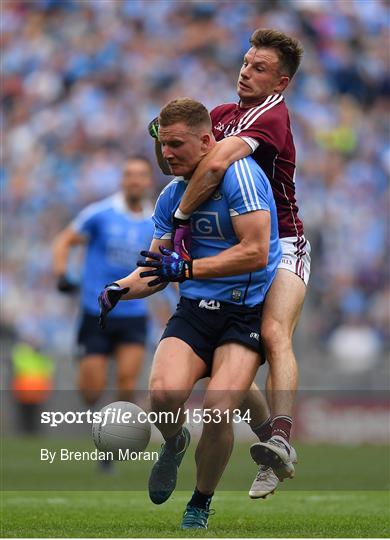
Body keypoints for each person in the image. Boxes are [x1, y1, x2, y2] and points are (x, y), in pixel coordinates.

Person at [98, 98, 281, 529]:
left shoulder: (242, 177)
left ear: (206, 141)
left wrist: (189, 267)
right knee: (163, 398)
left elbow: (255, 253)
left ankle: (199, 502)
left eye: (177, 144)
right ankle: (175, 441)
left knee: (218, 409)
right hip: (196, 309)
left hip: (244, 312)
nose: (167, 154)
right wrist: (119, 289)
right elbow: (156, 269)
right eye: (163, 145)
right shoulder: (171, 197)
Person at [149, 28, 310, 497]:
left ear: (279, 82)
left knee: (276, 333)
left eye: (259, 69)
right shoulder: (221, 114)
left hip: (281, 241)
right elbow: (181, 156)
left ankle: (280, 434)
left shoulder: (271, 116)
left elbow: (215, 161)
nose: (245, 72)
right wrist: (165, 137)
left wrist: (180, 217)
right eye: (245, 63)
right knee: (229, 377)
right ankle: (268, 448)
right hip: (231, 244)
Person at [52, 155, 154, 426]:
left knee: (127, 383)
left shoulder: (156, 222)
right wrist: (62, 274)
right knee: (90, 393)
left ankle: (113, 438)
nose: (134, 180)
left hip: (133, 312)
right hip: (95, 312)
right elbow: (64, 240)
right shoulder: (100, 213)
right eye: (129, 174)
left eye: (140, 175)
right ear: (123, 180)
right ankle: (85, 361)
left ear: (148, 181)